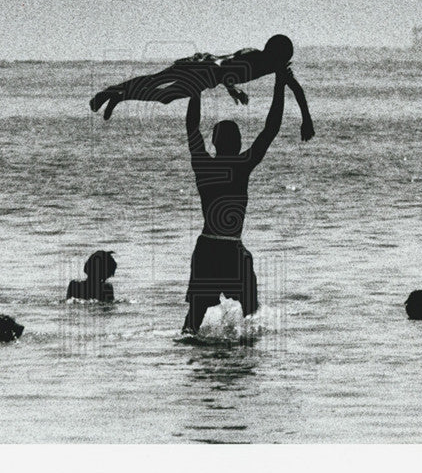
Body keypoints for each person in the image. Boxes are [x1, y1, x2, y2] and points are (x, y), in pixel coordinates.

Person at [182, 69, 288, 334]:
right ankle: (245, 352)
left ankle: (188, 356)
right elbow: (271, 128)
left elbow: (191, 127)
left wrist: (196, 88)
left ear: (214, 143)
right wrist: (279, 84)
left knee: (194, 316)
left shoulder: (203, 165)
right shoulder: (242, 166)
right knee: (252, 312)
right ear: (238, 142)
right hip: (231, 250)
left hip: (208, 248)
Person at [90, 34, 315, 142]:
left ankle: (118, 96)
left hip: (208, 74)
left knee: (163, 95)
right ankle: (112, 92)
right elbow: (223, 66)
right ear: (272, 54)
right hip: (203, 66)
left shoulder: (273, 65)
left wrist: (307, 120)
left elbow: (296, 89)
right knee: (156, 83)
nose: (282, 65)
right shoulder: (254, 57)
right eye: (281, 60)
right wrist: (230, 87)